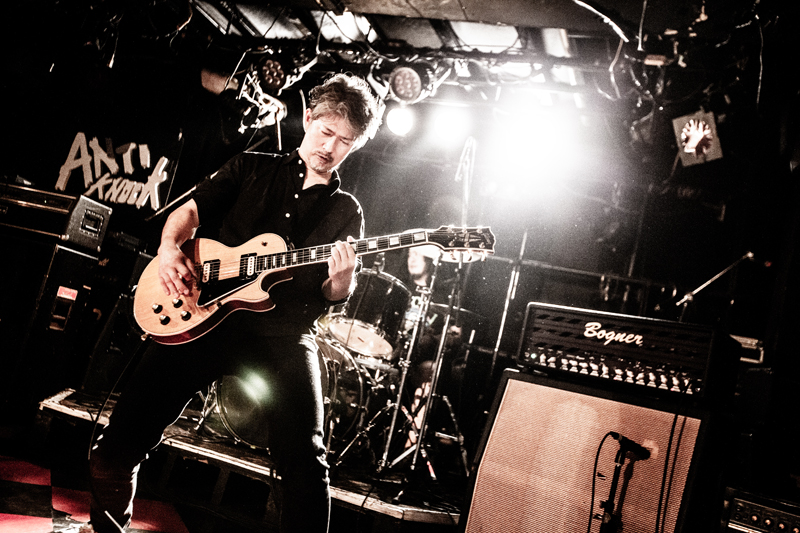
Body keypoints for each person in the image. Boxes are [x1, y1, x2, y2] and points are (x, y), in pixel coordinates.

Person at [87, 73, 382, 533]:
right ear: (308, 118)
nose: (330, 147)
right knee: (117, 445)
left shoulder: (347, 211)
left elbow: (330, 296)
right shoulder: (252, 167)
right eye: (326, 132)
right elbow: (189, 211)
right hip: (202, 313)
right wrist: (169, 250)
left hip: (282, 335)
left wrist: (342, 282)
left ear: (356, 145)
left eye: (345, 141)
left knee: (307, 466)